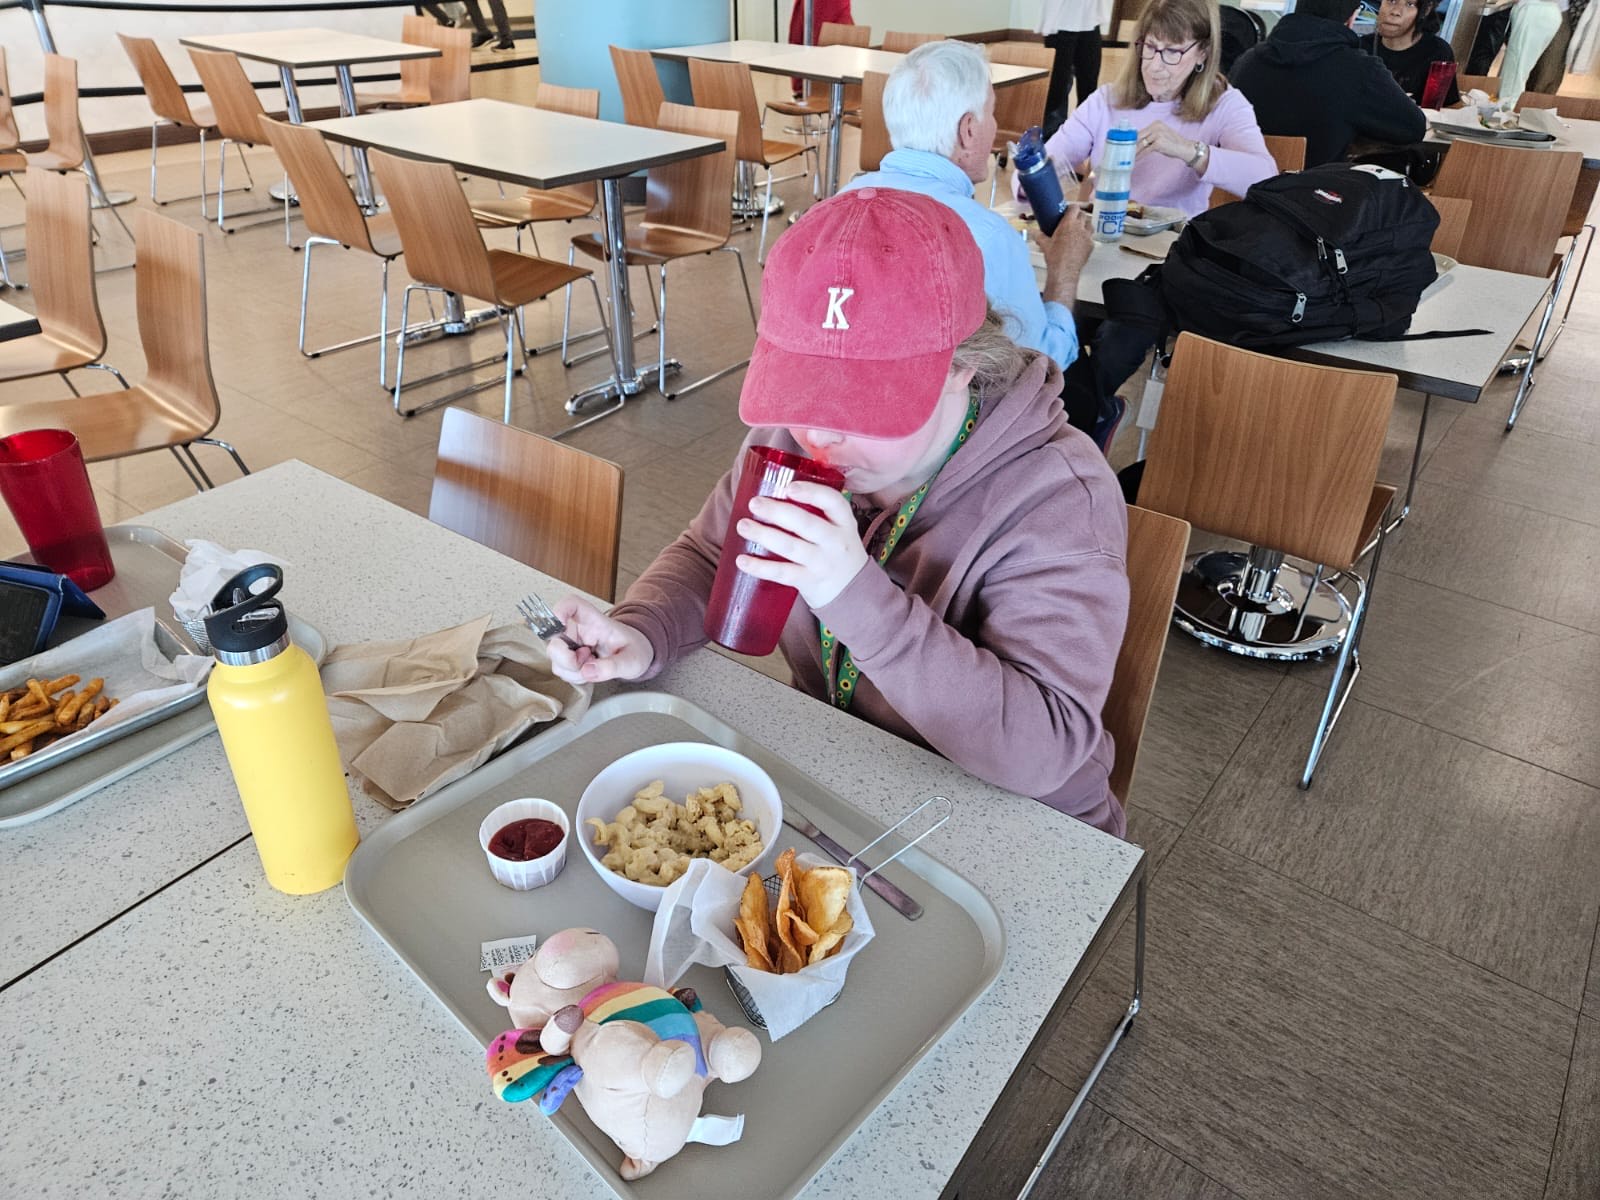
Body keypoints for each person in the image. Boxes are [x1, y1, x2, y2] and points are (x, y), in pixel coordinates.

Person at [543, 189, 1132, 838]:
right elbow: (714, 555)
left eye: (863, 402)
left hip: (1019, 822)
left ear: (961, 365)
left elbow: (1044, 748)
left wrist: (854, 595)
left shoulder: (1058, 499)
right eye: (804, 389)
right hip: (846, 769)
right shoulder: (790, 441)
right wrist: (643, 631)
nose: (819, 434)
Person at [843, 41, 1099, 433]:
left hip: (850, 412)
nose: (994, 127)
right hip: (947, 433)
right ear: (968, 130)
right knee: (1085, 393)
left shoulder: (837, 206)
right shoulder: (986, 236)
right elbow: (1041, 365)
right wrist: (1064, 273)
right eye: (991, 113)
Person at [1026, 0, 1278, 219]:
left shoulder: (1224, 104)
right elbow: (1039, 172)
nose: (1155, 66)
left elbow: (1264, 179)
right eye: (1150, 47)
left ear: (1203, 52)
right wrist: (1034, 174)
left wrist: (1188, 151)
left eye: (1173, 51)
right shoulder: (1106, 100)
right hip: (1105, 235)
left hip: (1173, 246)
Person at [1231, 0, 1426, 166]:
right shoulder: (1360, 70)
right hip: (1313, 194)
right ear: (1351, 18)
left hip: (1233, 193)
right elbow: (1414, 127)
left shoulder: (1246, 61)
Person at [1357, 0, 1462, 106]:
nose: (1395, 12)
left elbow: (1443, 108)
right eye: (1391, 1)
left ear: (1426, 9)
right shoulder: (1360, 47)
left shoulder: (1438, 52)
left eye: (1410, 4)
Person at [1039, 0, 1114, 138]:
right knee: (1057, 89)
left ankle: (1083, 135)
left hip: (1090, 22)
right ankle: (1052, 138)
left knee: (1089, 85)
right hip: (1060, 22)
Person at [1501, 0, 1566, 103]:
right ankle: (1505, 106)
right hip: (1543, 10)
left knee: (1516, 71)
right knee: (1517, 70)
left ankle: (1505, 108)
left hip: (1535, 10)